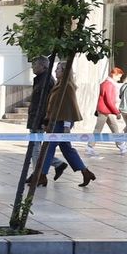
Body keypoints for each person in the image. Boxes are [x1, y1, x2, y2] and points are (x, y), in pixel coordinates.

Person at [37, 60, 96, 188]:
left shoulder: (67, 87)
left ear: (65, 72)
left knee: (48, 148)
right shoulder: (59, 85)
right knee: (67, 149)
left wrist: (66, 126)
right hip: (56, 122)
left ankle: (42, 175)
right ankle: (85, 172)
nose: (55, 71)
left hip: (62, 123)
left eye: (58, 69)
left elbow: (68, 107)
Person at [91, 67, 127, 156]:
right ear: (114, 75)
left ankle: (121, 146)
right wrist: (117, 112)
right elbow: (109, 101)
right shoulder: (109, 84)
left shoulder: (107, 83)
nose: (119, 79)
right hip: (105, 110)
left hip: (106, 110)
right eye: (119, 77)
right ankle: (90, 146)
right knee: (98, 129)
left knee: (114, 128)